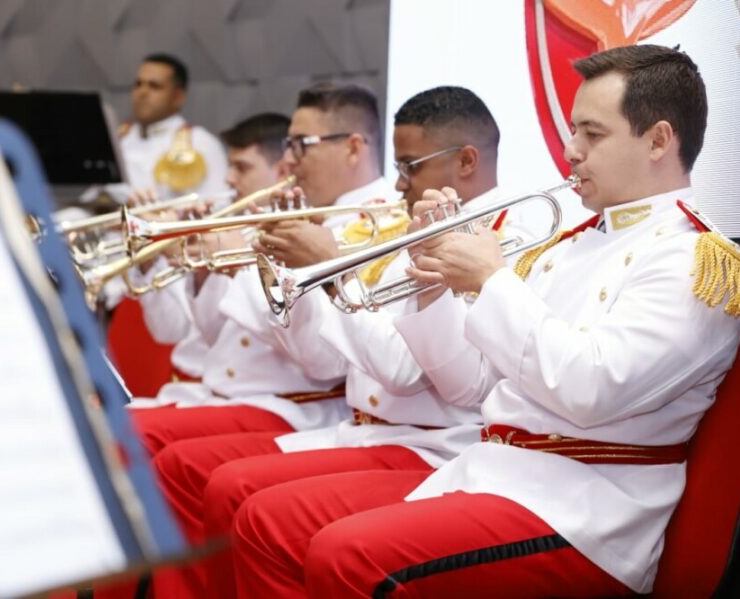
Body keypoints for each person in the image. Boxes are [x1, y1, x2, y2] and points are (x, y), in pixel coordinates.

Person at [230, 44, 740, 597]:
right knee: (277, 524)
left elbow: (590, 390)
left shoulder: (696, 260)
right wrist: (433, 286)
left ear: (658, 139)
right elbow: (470, 385)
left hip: (584, 512)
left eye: (592, 134)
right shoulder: (563, 247)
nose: (571, 151)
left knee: (348, 556)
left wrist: (492, 282)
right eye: (572, 131)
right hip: (495, 475)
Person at [148, 86, 514, 599]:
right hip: (370, 428)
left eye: (410, 167)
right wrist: (258, 267)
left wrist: (327, 275)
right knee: (232, 490)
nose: (400, 185)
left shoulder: (503, 234)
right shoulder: (393, 223)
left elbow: (401, 372)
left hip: (430, 442)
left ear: (466, 161)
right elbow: (311, 351)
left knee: (244, 497)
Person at [129, 83, 391, 458]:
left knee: (130, 439)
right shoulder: (305, 209)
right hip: (235, 395)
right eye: (289, 144)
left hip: (294, 406)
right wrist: (207, 270)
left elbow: (321, 362)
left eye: (302, 144)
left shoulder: (376, 222)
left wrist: (242, 267)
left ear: (352, 147)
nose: (291, 159)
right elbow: (212, 333)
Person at [127, 112, 293, 394]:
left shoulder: (287, 238)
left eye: (242, 168)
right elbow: (168, 329)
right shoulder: (219, 226)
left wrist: (221, 266)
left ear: (282, 173)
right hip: (184, 387)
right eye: (229, 166)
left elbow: (226, 334)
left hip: (230, 394)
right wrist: (149, 257)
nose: (228, 178)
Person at [104, 53, 228, 203]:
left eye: (154, 86)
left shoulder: (200, 143)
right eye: (138, 84)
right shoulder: (115, 138)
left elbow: (219, 204)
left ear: (178, 97)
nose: (142, 92)